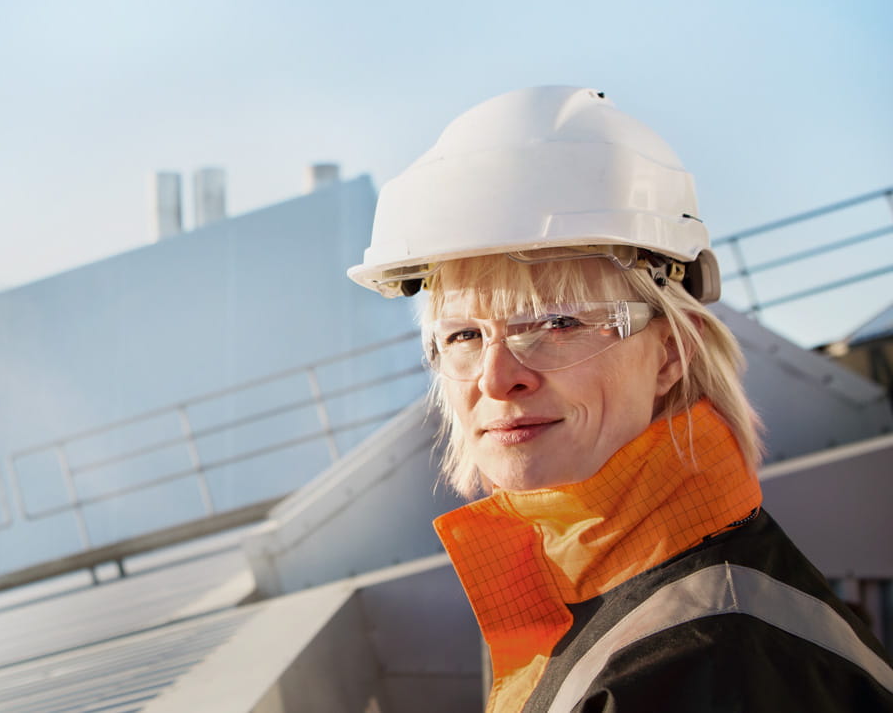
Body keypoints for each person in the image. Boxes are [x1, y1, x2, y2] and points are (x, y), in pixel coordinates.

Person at [347, 86, 893, 712]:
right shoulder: (641, 607)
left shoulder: (702, 664)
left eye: (557, 323)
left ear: (670, 354)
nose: (497, 379)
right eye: (465, 335)